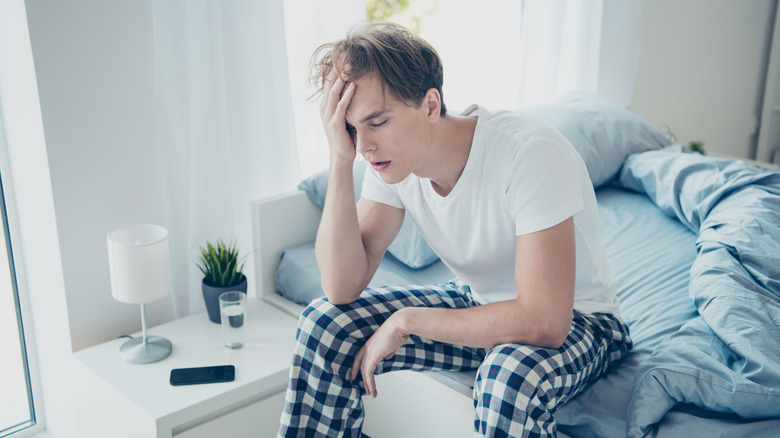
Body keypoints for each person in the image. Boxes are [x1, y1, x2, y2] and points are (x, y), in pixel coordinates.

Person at [278, 21, 632, 438]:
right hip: (477, 303)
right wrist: (340, 160)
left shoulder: (529, 154)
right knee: (325, 323)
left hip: (583, 322)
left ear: (430, 105)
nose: (365, 145)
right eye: (352, 129)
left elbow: (544, 321)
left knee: (508, 379)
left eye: (377, 122)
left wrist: (407, 320)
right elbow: (340, 287)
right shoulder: (388, 162)